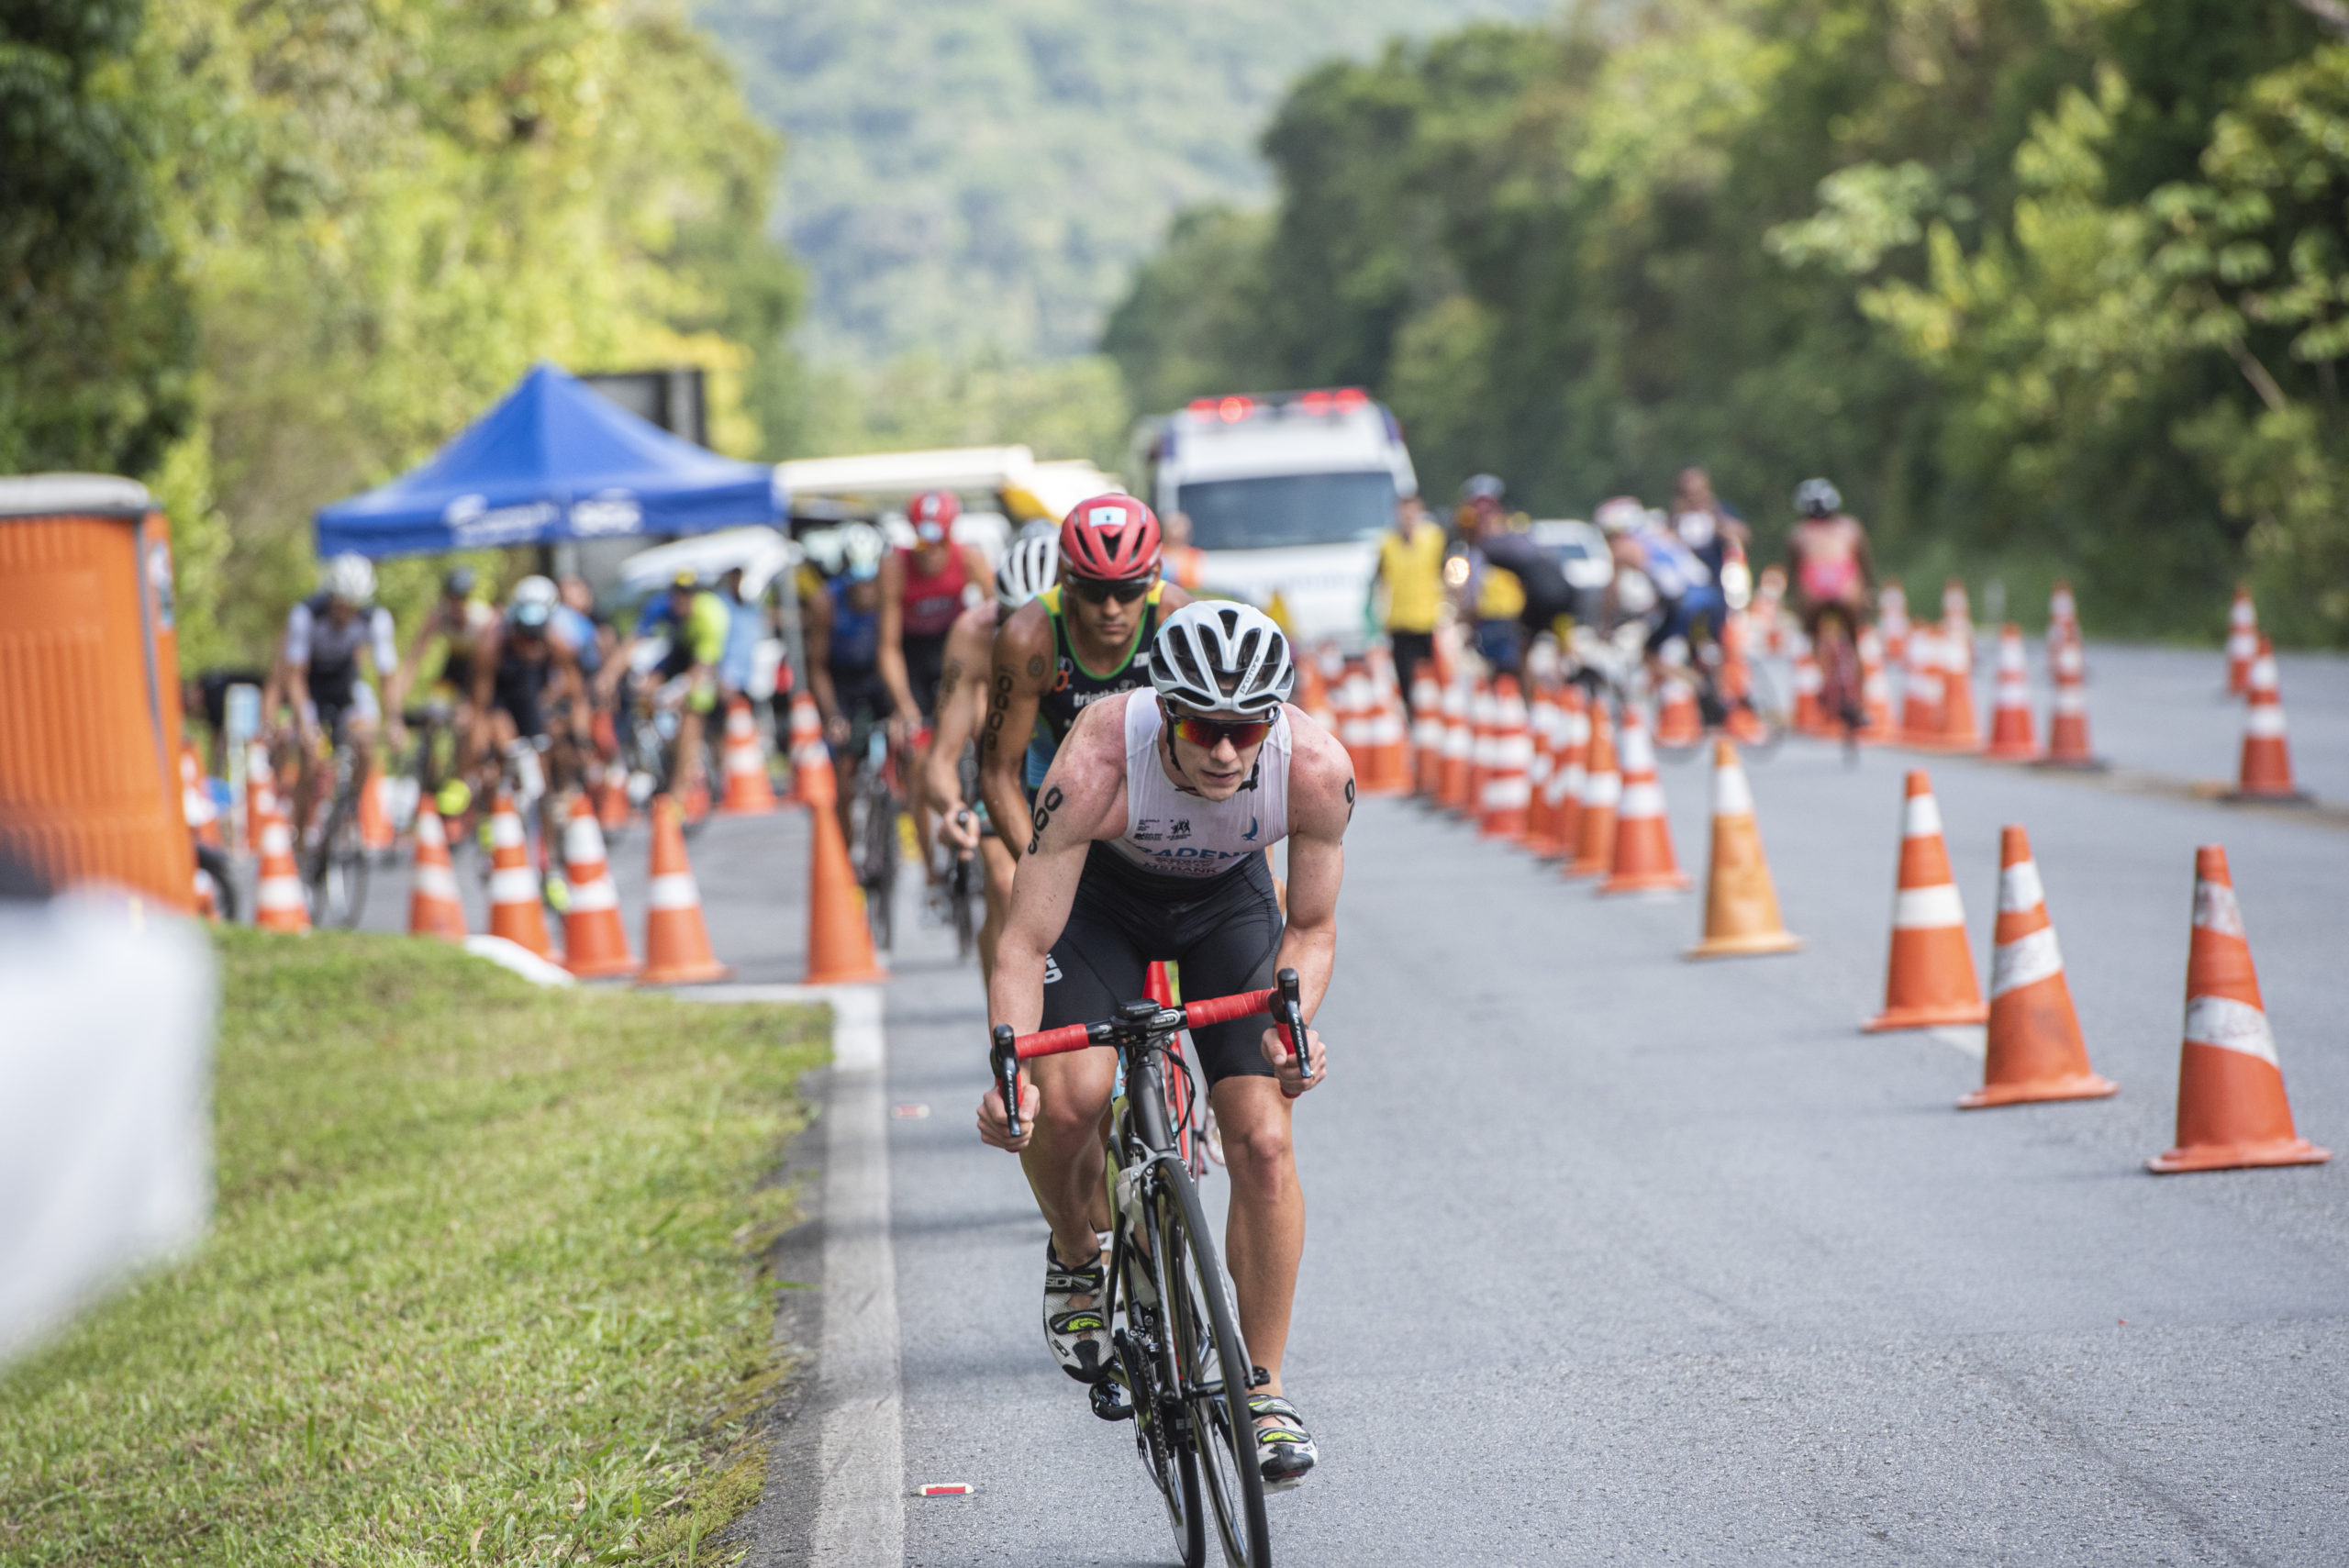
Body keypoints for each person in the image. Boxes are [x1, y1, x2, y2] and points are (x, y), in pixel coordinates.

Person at [975, 600, 1350, 1490]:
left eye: (1245, 728)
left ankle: (1260, 1388)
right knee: (1065, 1101)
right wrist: (1009, 1071)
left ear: (1274, 718)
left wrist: (1291, 1028)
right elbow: (1024, 941)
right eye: (1202, 727)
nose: (1225, 751)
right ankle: (1076, 1253)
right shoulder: (1100, 755)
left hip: (1228, 906)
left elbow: (1312, 925)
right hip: (1099, 905)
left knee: (1262, 1137)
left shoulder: (1315, 766)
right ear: (1162, 709)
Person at [977, 495, 1196, 852]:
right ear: (1067, 579)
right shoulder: (1026, 638)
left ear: (1154, 576)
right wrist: (1037, 870)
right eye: (1094, 591)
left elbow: (1229, 742)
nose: (1111, 609)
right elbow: (998, 773)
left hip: (1159, 788)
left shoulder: (1179, 621)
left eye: (1126, 591)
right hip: (1061, 788)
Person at [927, 532, 1059, 982]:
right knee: (1007, 884)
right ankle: (1012, 1041)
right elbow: (942, 758)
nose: (1025, 634)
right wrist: (952, 809)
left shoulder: (1099, 627)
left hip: (1076, 764)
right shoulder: (974, 634)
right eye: (1012, 618)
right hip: (1008, 770)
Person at [882, 490, 993, 894]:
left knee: (984, 725)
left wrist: (988, 687)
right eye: (922, 542)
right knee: (917, 762)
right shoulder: (896, 567)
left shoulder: (969, 559)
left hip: (956, 656)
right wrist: (904, 705)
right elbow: (889, 647)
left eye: (938, 543)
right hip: (913, 660)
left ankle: (983, 812)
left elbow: (1001, 624)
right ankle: (930, 871)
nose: (929, 554)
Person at [265, 553, 401, 836]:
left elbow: (386, 676)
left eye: (352, 607)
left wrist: (395, 720)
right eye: (340, 606)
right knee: (310, 755)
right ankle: (301, 835)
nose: (345, 614)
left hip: (347, 687)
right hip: (311, 688)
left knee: (365, 745)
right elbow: (294, 677)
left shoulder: (375, 618)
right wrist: (305, 725)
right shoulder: (305, 614)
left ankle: (350, 806)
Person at [471, 577, 590, 854]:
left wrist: (580, 736)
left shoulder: (557, 643)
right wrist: (481, 752)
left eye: (534, 639)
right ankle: (491, 811)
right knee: (502, 748)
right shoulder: (491, 645)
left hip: (531, 697)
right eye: (522, 637)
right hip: (501, 700)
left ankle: (549, 857)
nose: (529, 647)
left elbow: (577, 695)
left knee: (545, 767)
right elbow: (480, 705)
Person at [604, 571, 730, 806]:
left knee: (692, 709)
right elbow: (633, 642)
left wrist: (678, 690)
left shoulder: (711, 615)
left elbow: (703, 667)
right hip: (679, 651)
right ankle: (656, 749)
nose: (682, 602)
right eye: (678, 596)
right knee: (646, 685)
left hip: (705, 660)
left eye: (688, 596)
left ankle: (678, 793)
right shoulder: (660, 606)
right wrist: (609, 676)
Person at [802, 524, 892, 844]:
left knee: (908, 745)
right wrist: (832, 716)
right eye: (859, 584)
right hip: (843, 684)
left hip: (880, 677)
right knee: (844, 767)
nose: (866, 592)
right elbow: (817, 666)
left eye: (871, 583)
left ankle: (898, 818)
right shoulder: (825, 602)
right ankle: (845, 844)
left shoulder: (890, 592)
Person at [1455, 476, 1579, 668]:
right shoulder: (1477, 546)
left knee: (1523, 662)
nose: (1484, 517)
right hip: (1492, 615)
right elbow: (1472, 587)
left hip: (1517, 612)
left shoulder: (1513, 532)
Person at [1785, 478, 1876, 726]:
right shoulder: (1851, 528)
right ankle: (1859, 702)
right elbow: (1864, 566)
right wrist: (1869, 593)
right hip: (1847, 589)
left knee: (1813, 634)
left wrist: (1794, 604)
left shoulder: (1798, 534)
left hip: (1813, 593)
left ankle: (1823, 681)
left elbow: (1793, 575)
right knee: (1854, 641)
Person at [1371, 491, 1445, 710]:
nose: (1407, 517)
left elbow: (1447, 573)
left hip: (1429, 618)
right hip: (1399, 620)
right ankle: (1412, 715)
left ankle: (1435, 713)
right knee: (1405, 677)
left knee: (1435, 675)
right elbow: (1380, 581)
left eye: (1412, 511)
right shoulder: (1387, 543)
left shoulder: (1435, 538)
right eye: (1403, 511)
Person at [1668, 467, 1749, 645]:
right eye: (1687, 494)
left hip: (1717, 587)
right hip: (1684, 592)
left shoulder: (1720, 511)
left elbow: (1743, 536)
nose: (1693, 498)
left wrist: (1716, 517)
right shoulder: (1674, 517)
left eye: (1698, 492)